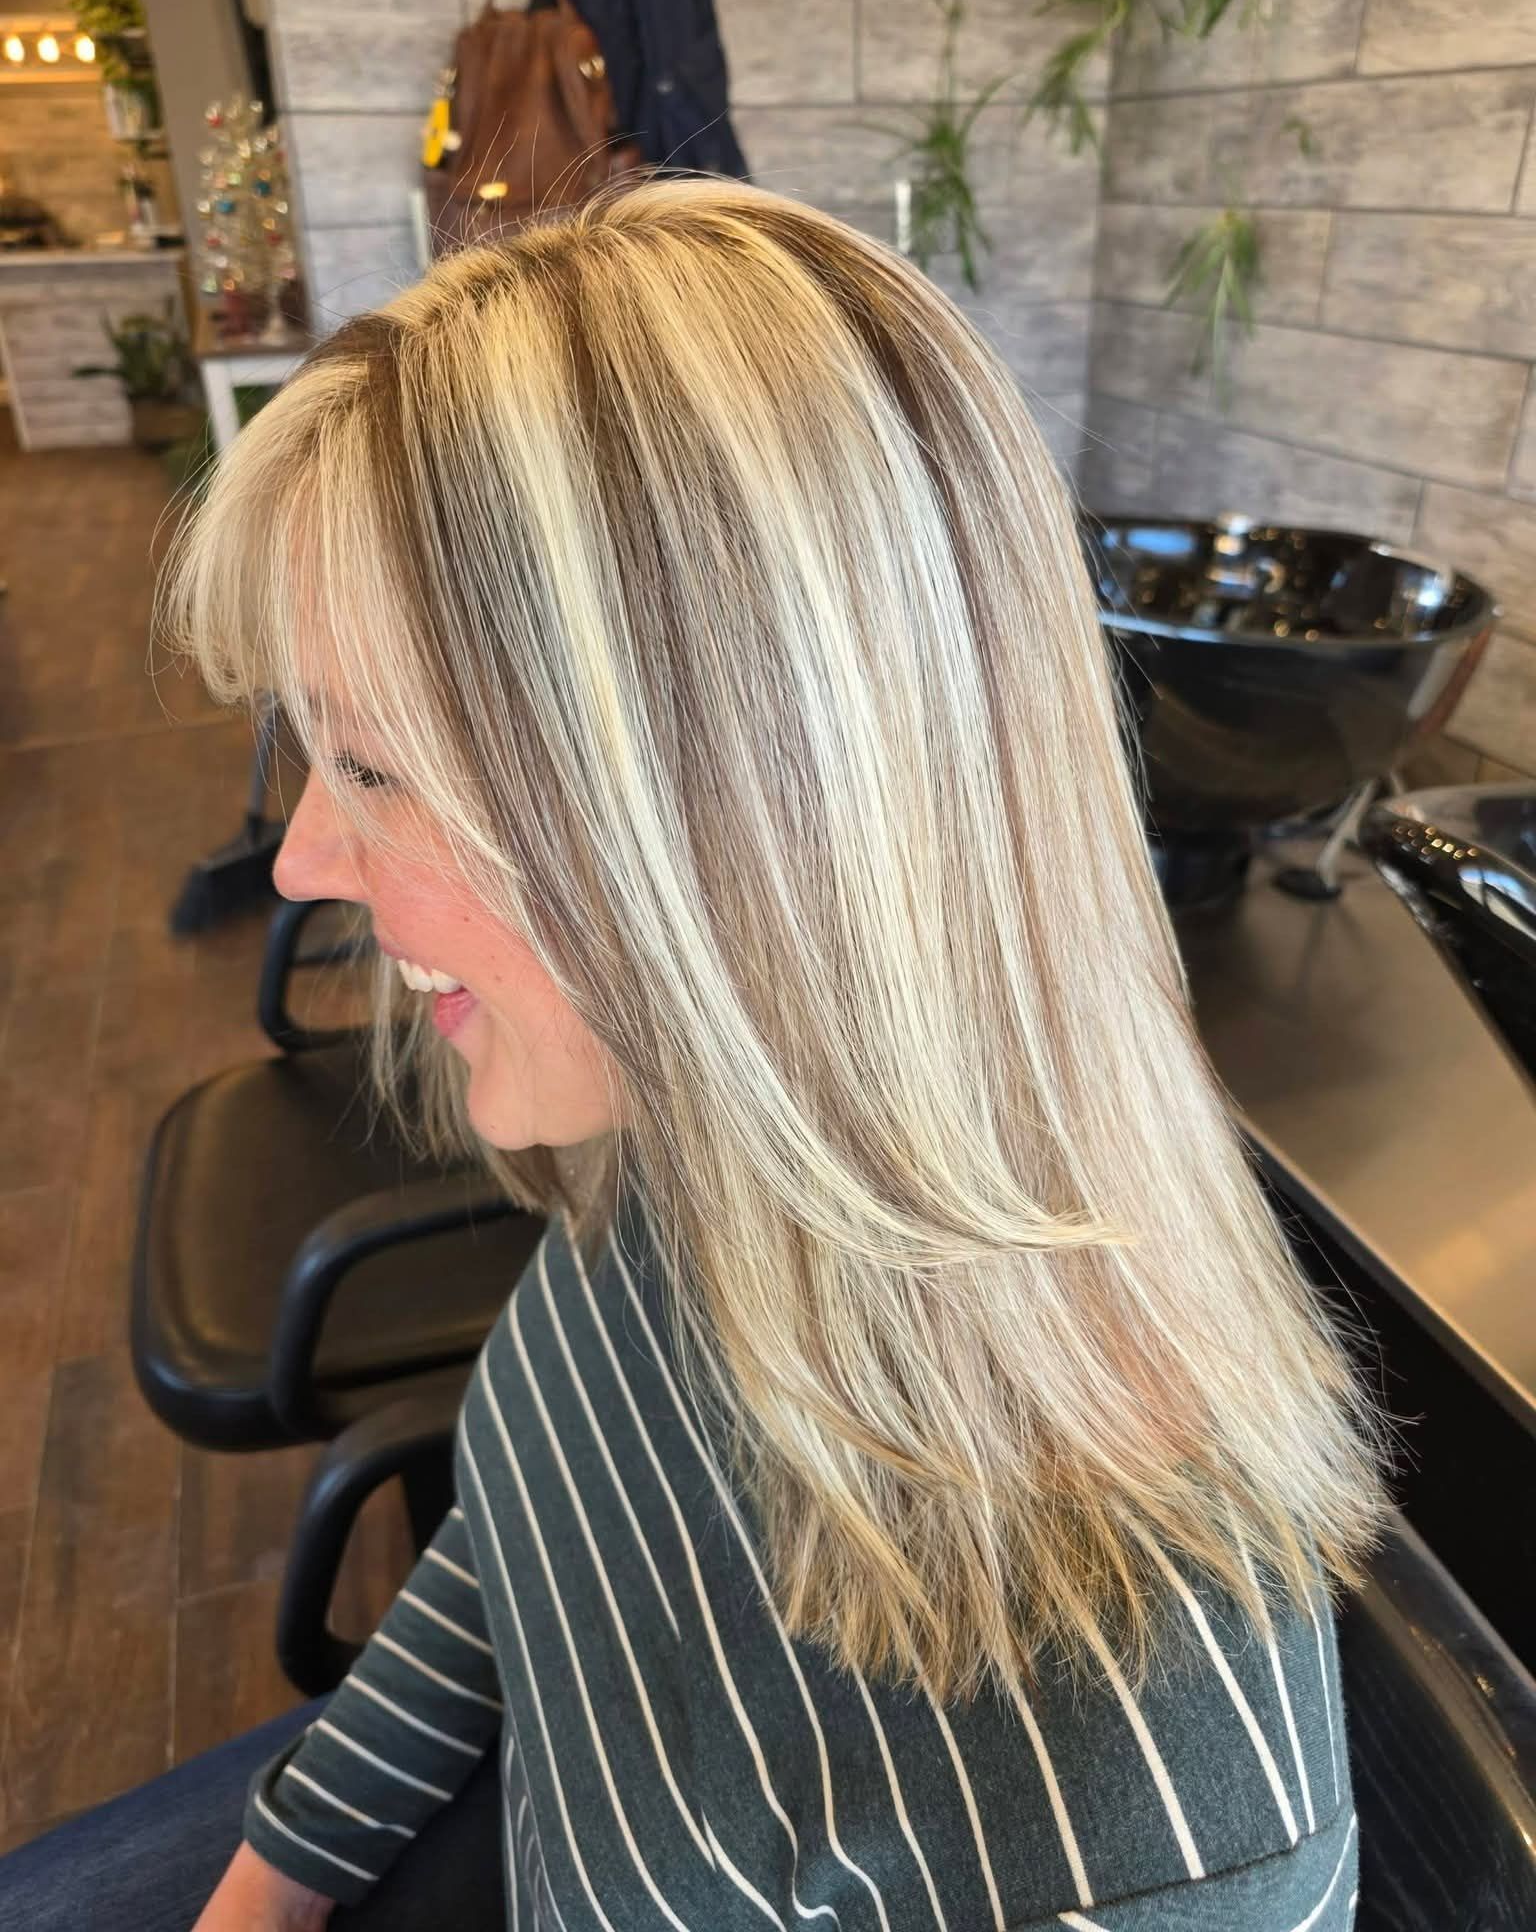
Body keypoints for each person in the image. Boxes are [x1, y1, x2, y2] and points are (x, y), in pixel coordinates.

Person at [1, 178, 1387, 1930]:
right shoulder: (682, 1140)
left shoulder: (1152, 1828)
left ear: (735, 838)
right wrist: (269, 1885)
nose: (300, 863)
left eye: (378, 769)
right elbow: (519, 1537)